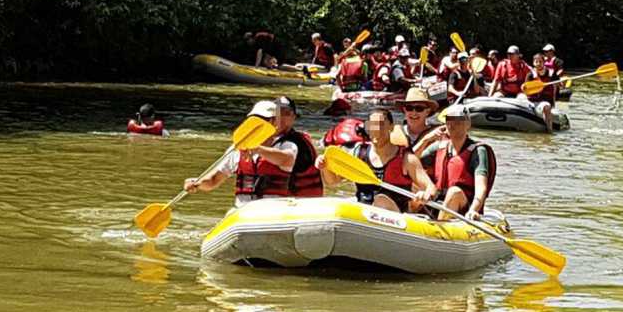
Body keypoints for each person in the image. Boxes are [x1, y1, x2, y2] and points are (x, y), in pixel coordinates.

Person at [183, 98, 323, 207]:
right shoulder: (236, 149)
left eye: (263, 120)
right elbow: (213, 181)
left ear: (274, 122)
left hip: (273, 212)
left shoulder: (286, 145)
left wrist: (256, 148)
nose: (256, 125)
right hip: (243, 211)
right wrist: (198, 183)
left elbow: (287, 160)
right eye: (253, 120)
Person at [317, 108, 436, 214]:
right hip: (364, 214)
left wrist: (425, 195)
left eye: (381, 125)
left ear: (391, 127)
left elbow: (431, 187)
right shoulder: (359, 153)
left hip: (394, 216)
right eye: (373, 125)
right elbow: (332, 182)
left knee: (381, 200)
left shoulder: (407, 158)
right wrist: (325, 166)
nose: (377, 130)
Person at [420, 106, 496, 220]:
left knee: (454, 192)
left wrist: (473, 210)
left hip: (464, 207)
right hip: (438, 201)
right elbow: (410, 162)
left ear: (468, 124)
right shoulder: (440, 146)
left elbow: (481, 187)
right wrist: (425, 140)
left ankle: (440, 225)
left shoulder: (478, 151)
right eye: (449, 120)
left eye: (458, 120)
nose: (452, 124)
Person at [392, 87, 443, 155]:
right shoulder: (396, 133)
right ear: (404, 110)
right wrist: (425, 140)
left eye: (419, 108)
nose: (414, 113)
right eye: (409, 108)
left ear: (427, 112)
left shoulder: (438, 133)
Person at [526, 54, 558, 133]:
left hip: (546, 101)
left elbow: (557, 86)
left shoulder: (551, 73)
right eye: (536, 62)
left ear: (544, 62)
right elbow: (526, 89)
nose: (538, 64)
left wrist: (562, 82)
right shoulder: (530, 75)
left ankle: (549, 131)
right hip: (534, 101)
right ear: (533, 63)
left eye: (540, 62)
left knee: (546, 106)